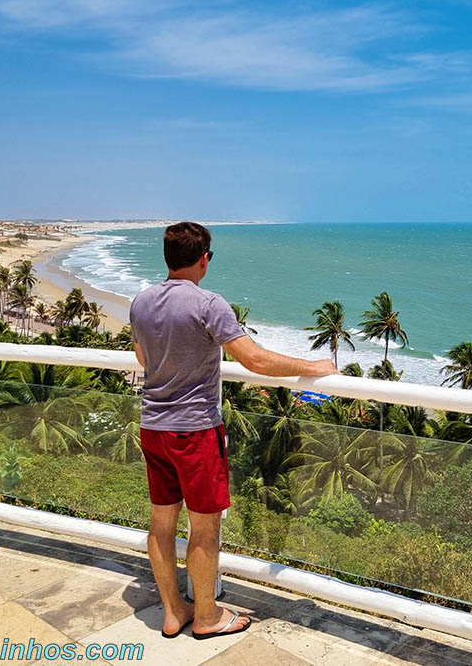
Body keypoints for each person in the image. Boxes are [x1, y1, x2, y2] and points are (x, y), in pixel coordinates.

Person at [129, 222, 338, 640]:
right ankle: (206, 616)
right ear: (204, 258)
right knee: (204, 528)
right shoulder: (209, 303)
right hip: (195, 431)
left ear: (169, 258)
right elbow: (254, 361)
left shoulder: (142, 301)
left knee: (161, 524)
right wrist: (314, 367)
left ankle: (174, 611)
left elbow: (141, 354)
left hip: (153, 426)